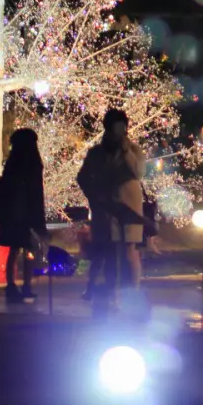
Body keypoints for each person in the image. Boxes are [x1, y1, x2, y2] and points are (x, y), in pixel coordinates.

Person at [77, 108, 147, 299]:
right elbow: (83, 177)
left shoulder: (133, 151)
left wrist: (126, 151)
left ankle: (132, 291)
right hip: (105, 208)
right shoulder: (97, 153)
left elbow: (138, 172)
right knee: (105, 250)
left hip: (129, 206)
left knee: (129, 249)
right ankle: (102, 289)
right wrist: (94, 196)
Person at [0, 128, 46, 305]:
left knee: (15, 251)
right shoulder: (31, 165)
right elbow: (36, 194)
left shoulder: (13, 165)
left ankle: (13, 286)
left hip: (14, 215)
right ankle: (24, 286)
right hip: (23, 214)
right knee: (26, 250)